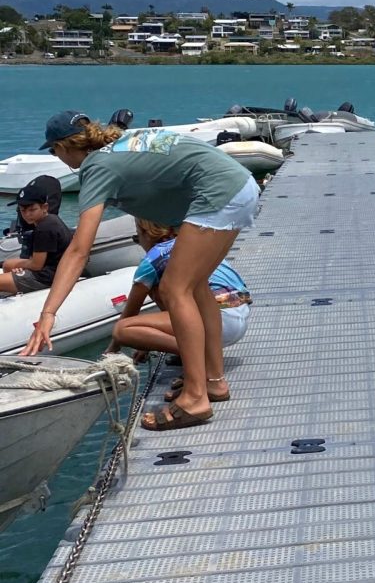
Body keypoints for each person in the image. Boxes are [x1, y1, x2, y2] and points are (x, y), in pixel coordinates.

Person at [21, 110, 259, 431]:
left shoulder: (96, 167)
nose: (56, 157)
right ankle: (213, 382)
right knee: (196, 285)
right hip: (237, 184)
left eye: (53, 151)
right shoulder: (122, 146)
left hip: (218, 192)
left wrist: (48, 314)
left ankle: (195, 397)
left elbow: (80, 249)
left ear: (64, 147)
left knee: (177, 288)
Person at [105, 219, 253, 402]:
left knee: (123, 330)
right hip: (239, 313)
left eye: (137, 237)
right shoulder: (196, 246)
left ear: (147, 235)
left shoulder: (152, 258)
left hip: (219, 320)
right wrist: (148, 342)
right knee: (178, 289)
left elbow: (128, 315)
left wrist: (110, 353)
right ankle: (197, 353)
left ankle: (197, 358)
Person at [0, 179, 73, 296]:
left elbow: (36, 265)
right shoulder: (51, 220)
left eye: (32, 209)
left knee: (8, 264)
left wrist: (16, 264)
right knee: (8, 265)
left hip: (47, 277)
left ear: (44, 207)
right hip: (54, 271)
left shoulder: (44, 228)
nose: (27, 215)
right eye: (23, 210)